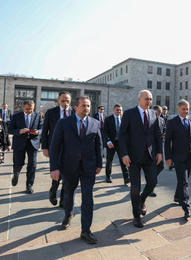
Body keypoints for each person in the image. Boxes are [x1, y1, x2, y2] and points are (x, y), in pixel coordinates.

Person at [50, 96, 102, 245]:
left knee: (88, 197)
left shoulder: (95, 123)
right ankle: (68, 216)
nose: (86, 108)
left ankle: (86, 230)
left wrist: (99, 164)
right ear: (76, 108)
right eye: (84, 106)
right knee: (68, 194)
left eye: (88, 106)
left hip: (88, 167)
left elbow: (99, 145)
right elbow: (55, 146)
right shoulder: (64, 123)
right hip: (69, 166)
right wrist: (54, 168)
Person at [118, 90, 163, 228]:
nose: (149, 101)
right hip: (133, 157)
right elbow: (122, 135)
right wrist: (124, 154)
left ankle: (142, 200)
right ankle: (136, 216)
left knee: (153, 182)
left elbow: (157, 135)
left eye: (150, 99)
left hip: (149, 156)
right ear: (139, 99)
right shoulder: (129, 114)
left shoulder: (153, 114)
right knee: (135, 188)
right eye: (146, 99)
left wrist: (160, 152)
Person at [41, 91, 74, 207]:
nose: (65, 103)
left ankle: (63, 200)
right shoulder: (51, 113)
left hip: (70, 148)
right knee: (57, 172)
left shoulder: (75, 112)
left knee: (68, 174)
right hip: (55, 148)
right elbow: (45, 132)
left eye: (68, 101)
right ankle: (53, 190)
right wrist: (45, 147)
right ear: (58, 100)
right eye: (63, 101)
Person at [8, 100, 43, 194]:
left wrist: (37, 132)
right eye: (27, 109)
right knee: (18, 163)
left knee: (32, 165)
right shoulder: (16, 116)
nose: (29, 111)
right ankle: (16, 174)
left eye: (31, 109)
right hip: (19, 143)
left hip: (33, 143)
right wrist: (20, 131)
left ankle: (29, 185)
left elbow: (42, 128)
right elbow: (10, 129)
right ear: (23, 107)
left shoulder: (38, 116)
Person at [102, 104, 130, 185]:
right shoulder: (108, 119)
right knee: (109, 160)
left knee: (123, 160)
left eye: (120, 110)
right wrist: (108, 141)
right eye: (117, 109)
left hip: (121, 143)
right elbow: (105, 132)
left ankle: (126, 177)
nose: (119, 111)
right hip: (111, 143)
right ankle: (108, 176)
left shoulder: (124, 119)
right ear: (114, 110)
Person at [148, 105, 166, 197]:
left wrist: (164, 134)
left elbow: (164, 129)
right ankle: (151, 187)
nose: (158, 116)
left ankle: (152, 180)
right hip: (152, 146)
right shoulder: (149, 120)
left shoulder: (162, 120)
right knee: (153, 166)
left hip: (160, 146)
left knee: (161, 166)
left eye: (160, 114)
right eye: (157, 114)